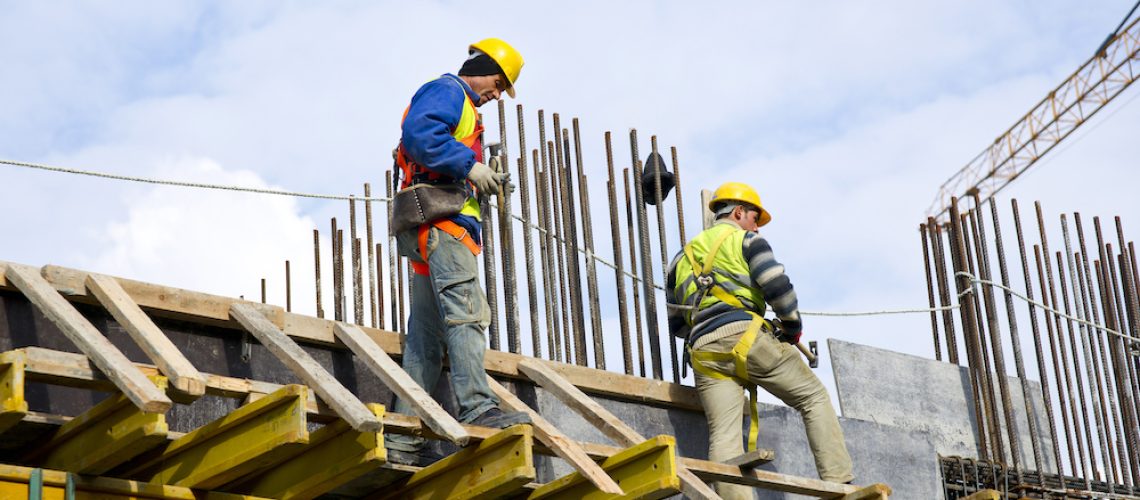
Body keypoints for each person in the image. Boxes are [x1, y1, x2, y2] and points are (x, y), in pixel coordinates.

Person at [386, 38, 531, 466]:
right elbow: (420, 135)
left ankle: (403, 437)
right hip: (444, 228)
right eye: (499, 83)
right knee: (468, 315)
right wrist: (470, 167)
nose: (498, 94)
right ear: (482, 67)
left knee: (426, 341)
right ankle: (478, 407)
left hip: (430, 229)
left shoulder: (463, 107)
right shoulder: (449, 91)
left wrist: (477, 174)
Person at [665, 182, 854, 497]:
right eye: (755, 217)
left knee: (724, 436)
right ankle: (840, 483)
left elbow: (676, 325)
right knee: (813, 397)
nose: (757, 225)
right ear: (739, 212)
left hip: (703, 353)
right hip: (746, 336)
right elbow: (777, 287)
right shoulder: (748, 241)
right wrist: (792, 328)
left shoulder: (679, 259)